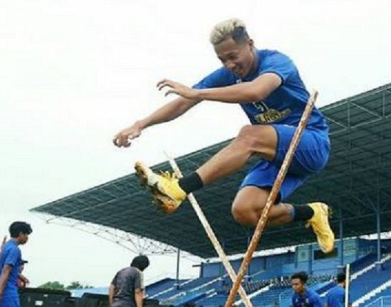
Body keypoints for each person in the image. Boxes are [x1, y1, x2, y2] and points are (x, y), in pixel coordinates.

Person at [113, 18, 335, 254]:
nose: (229, 65)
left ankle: (179, 189)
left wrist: (199, 92)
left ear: (250, 44)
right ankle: (312, 212)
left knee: (249, 135)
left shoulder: (277, 62)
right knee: (244, 211)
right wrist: (140, 124)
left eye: (233, 56)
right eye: (222, 60)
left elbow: (255, 91)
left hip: (311, 141)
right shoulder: (228, 74)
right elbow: (183, 102)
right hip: (276, 154)